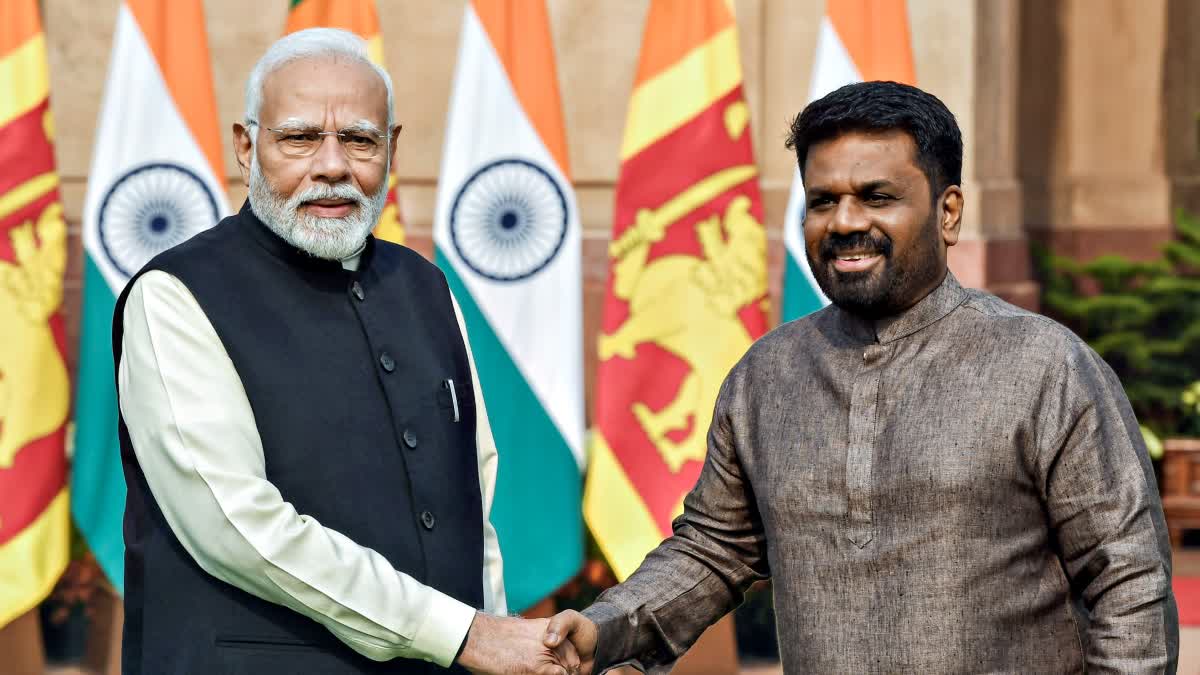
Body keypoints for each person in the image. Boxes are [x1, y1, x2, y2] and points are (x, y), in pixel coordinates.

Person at [543, 81, 1179, 673]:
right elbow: (714, 550)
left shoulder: (1044, 367)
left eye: (877, 197)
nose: (844, 222)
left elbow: (1126, 582)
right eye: (823, 201)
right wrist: (604, 629)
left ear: (948, 212)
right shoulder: (766, 377)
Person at [114, 29, 569, 675]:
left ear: (391, 148)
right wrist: (462, 634)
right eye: (299, 138)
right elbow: (235, 525)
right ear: (245, 146)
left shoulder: (426, 288)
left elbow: (474, 507)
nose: (332, 165)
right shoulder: (175, 296)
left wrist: (496, 638)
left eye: (359, 139)